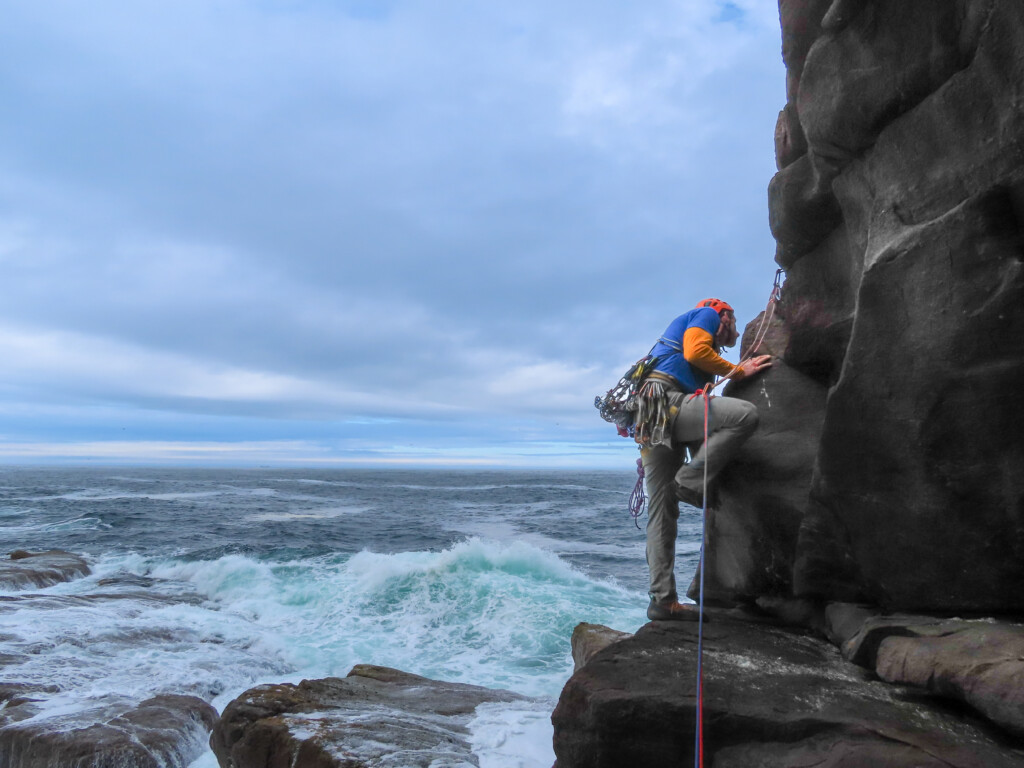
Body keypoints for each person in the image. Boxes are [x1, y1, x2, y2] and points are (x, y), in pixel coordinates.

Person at [635, 298, 772, 621]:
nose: (735, 334)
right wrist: (739, 371)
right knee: (744, 416)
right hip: (666, 401)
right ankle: (689, 481)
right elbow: (696, 352)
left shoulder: (682, 348)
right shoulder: (706, 313)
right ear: (724, 315)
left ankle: (662, 601)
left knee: (660, 511)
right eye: (734, 324)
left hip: (651, 417)